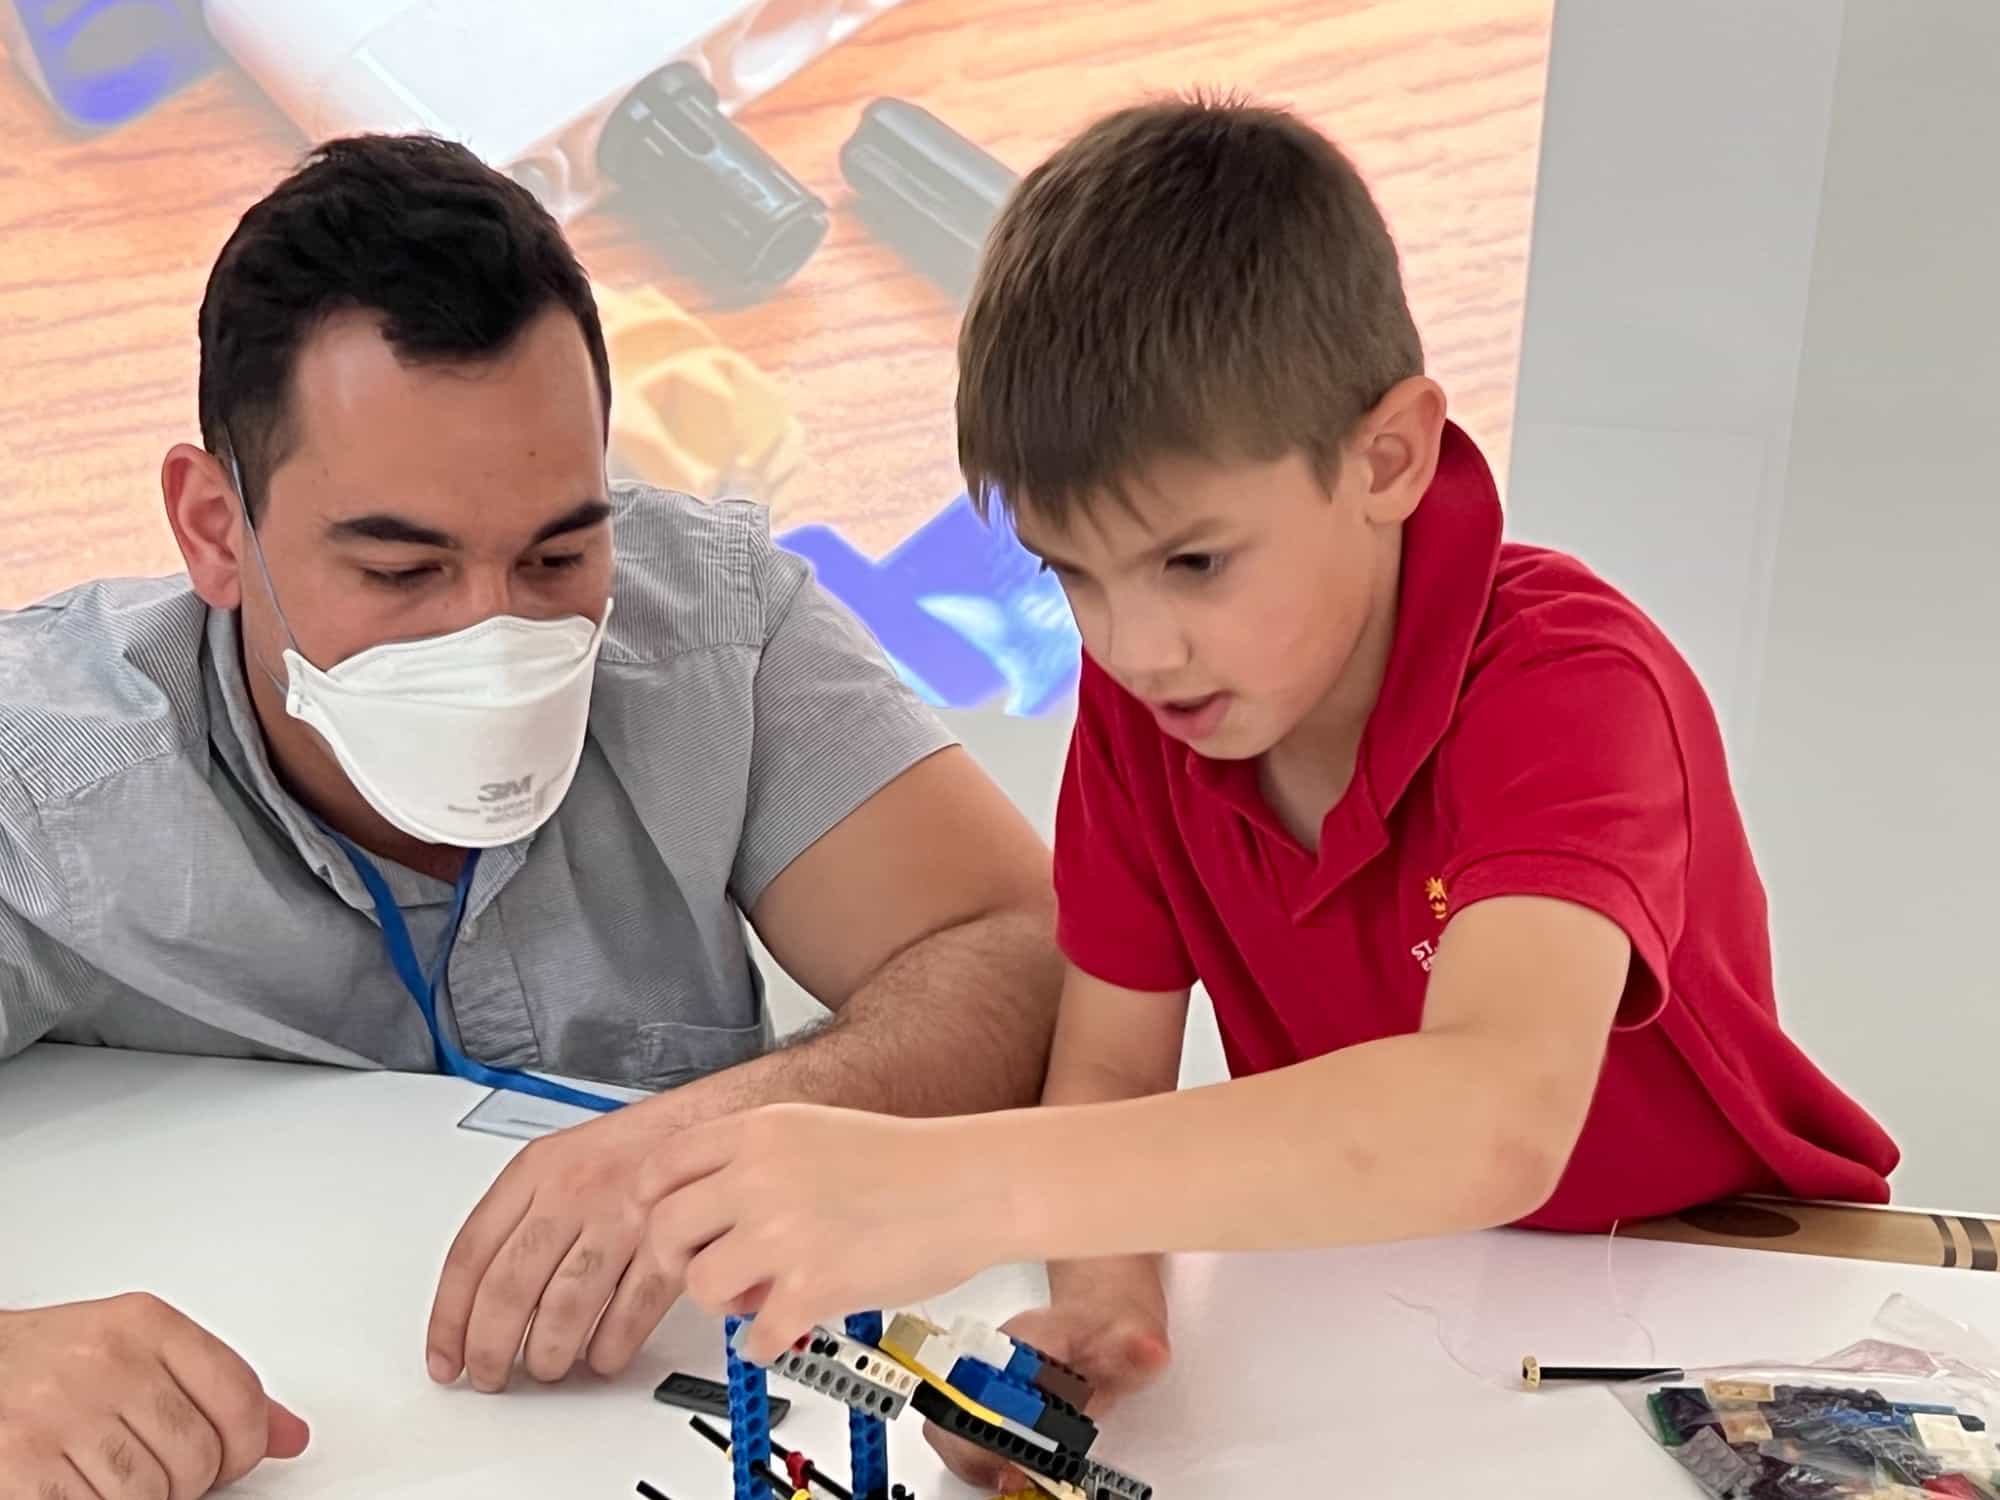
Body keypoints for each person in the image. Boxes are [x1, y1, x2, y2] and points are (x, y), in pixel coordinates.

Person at [629, 91, 1902, 1487]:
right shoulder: (1149, 710)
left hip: (1727, 1311)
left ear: (1388, 457)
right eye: (1071, 576)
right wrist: (1105, 1302)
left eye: (1192, 564)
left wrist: (953, 1181)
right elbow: (1108, 1067)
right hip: (1383, 1294)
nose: (1131, 648)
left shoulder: (1574, 687)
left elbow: (1491, 1116)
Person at [0, 135, 1063, 1498]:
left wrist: (704, 1141)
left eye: (559, 552)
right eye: (401, 568)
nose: (495, 637)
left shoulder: (713, 624)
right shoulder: (47, 777)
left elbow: (1021, 946)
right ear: (215, 529)